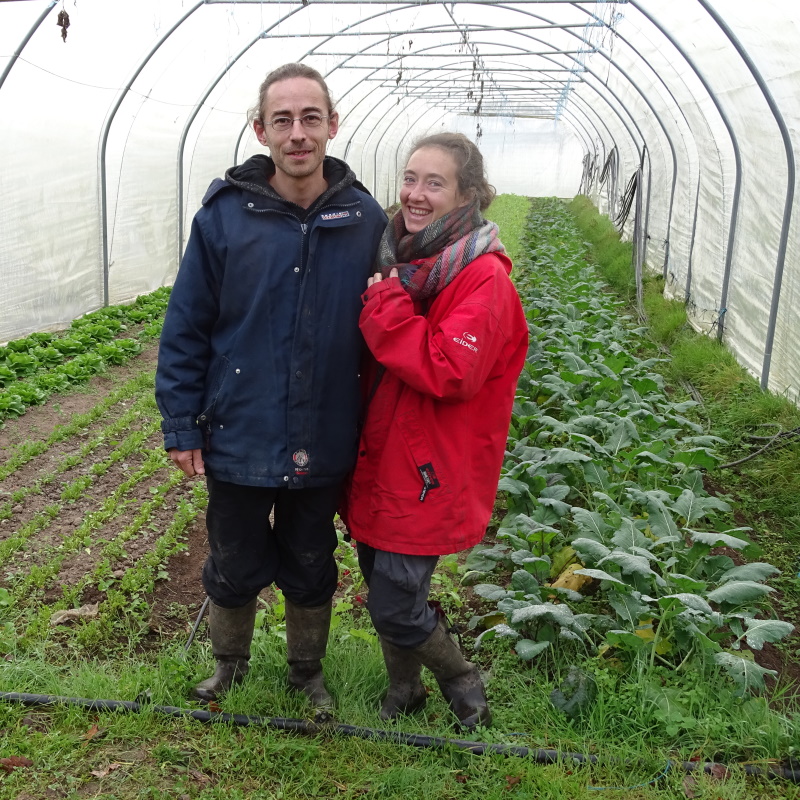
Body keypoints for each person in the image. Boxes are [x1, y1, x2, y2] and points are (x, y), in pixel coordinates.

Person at [155, 63, 387, 714]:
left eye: (310, 117)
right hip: (238, 429)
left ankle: (305, 674)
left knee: (312, 559)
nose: (297, 133)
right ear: (261, 130)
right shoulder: (225, 218)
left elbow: (393, 325)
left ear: (332, 126)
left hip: (325, 431)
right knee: (232, 557)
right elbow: (187, 326)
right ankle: (227, 669)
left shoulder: (363, 219)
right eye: (282, 119)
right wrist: (181, 423)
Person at [341, 132, 528, 731]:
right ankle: (405, 691)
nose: (415, 195)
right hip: (382, 455)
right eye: (411, 178)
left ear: (468, 195)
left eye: (435, 183)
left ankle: (459, 679)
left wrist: (387, 306)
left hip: (429, 469)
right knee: (382, 584)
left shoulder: (483, 280)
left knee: (396, 601)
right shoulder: (404, 258)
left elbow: (451, 369)